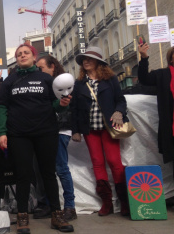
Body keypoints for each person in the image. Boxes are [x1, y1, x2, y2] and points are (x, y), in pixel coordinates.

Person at [0, 43, 74, 233]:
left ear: (33, 57)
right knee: (23, 175)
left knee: (48, 173)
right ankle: (22, 217)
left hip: (46, 132)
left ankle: (57, 215)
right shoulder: (9, 81)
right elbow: (1, 107)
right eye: (19, 54)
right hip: (19, 134)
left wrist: (63, 103)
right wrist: (1, 132)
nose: (22, 56)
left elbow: (56, 104)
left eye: (26, 53)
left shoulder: (46, 79)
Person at [70, 46, 129, 217]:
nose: (86, 61)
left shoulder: (110, 79)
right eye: (83, 60)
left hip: (109, 128)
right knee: (97, 162)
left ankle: (124, 201)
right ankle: (107, 202)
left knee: (114, 161)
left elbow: (121, 100)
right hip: (90, 129)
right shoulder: (79, 83)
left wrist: (119, 112)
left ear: (98, 62)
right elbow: (74, 109)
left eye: (90, 59)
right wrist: (76, 130)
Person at [36, 55, 77, 221]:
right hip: (45, 130)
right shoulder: (43, 84)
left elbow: (72, 106)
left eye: (41, 68)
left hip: (60, 130)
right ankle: (49, 204)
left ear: (52, 67)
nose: (39, 71)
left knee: (61, 168)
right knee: (46, 170)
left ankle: (69, 207)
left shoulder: (65, 83)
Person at [138, 43, 174, 181]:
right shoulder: (163, 75)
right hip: (171, 128)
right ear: (171, 59)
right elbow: (144, 79)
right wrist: (144, 57)